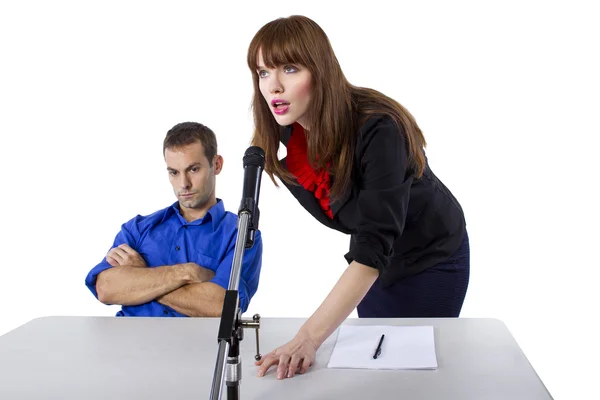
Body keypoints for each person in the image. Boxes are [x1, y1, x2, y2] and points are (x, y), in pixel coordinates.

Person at [247, 16, 469, 379]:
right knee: (374, 367)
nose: (273, 86)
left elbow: (374, 241)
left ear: (320, 71)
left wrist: (307, 338)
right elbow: (367, 240)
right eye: (263, 73)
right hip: (371, 264)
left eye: (289, 68)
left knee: (413, 375)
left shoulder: (378, 128)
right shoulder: (288, 137)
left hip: (431, 257)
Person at [85, 122, 263, 317]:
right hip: (128, 344)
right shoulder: (137, 229)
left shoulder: (241, 234)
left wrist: (141, 276)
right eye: (174, 172)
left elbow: (220, 306)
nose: (183, 184)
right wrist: (187, 273)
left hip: (196, 347)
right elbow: (106, 288)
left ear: (217, 165)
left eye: (193, 169)